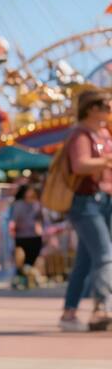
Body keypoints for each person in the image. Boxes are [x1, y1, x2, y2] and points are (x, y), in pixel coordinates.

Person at [59, 90, 112, 332]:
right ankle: (102, 308)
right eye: (106, 106)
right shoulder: (80, 134)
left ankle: (68, 313)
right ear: (91, 108)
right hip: (85, 202)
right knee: (105, 255)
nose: (110, 109)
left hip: (105, 199)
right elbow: (80, 164)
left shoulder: (103, 133)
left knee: (85, 259)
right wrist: (106, 161)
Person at [9, 184, 44, 289]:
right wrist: (12, 229)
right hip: (21, 237)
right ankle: (20, 279)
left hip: (34, 236)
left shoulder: (37, 204)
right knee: (21, 261)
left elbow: (41, 219)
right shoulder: (18, 205)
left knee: (31, 260)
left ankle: (28, 280)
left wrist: (39, 226)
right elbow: (13, 220)